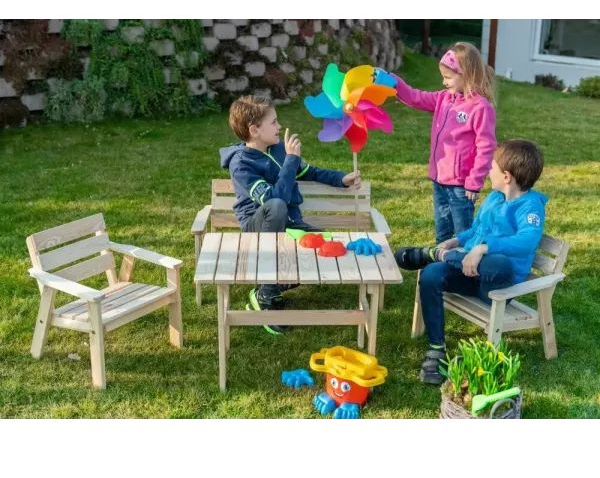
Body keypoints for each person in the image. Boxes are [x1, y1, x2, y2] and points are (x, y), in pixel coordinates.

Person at [394, 140, 546, 385]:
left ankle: (433, 254)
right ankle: (436, 348)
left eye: (492, 167)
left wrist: (483, 248)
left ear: (506, 177)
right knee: (431, 274)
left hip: (495, 286)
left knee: (499, 263)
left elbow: (527, 241)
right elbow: (476, 230)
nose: (488, 171)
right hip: (467, 270)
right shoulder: (494, 198)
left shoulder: (530, 207)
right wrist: (455, 241)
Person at [220, 95, 361, 335]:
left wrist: (341, 179)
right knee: (277, 206)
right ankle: (266, 294)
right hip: (258, 229)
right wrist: (291, 160)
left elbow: (309, 172)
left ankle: (272, 284)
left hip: (290, 224)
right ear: (254, 130)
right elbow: (275, 199)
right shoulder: (241, 164)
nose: (279, 126)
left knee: (327, 246)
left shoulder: (278, 149)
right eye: (273, 122)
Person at [374, 42, 497, 243]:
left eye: (448, 77)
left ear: (467, 74)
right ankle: (441, 261)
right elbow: (415, 97)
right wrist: (392, 81)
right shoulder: (443, 98)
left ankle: (467, 262)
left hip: (461, 185)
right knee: (442, 234)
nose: (443, 82)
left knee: (463, 235)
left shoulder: (480, 107)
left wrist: (474, 182)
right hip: (439, 180)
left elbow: (486, 147)